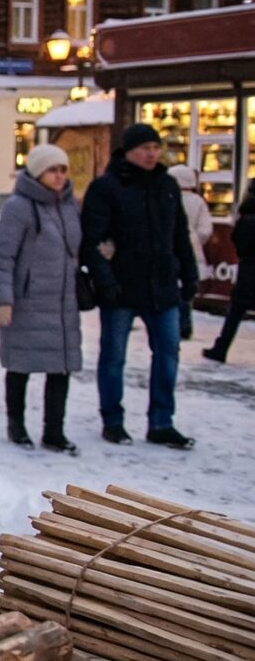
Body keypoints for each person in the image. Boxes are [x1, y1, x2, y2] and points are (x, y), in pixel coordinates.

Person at [82, 123, 198, 448]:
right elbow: (92, 240)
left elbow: (180, 237)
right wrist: (105, 281)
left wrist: (189, 277)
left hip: (162, 288)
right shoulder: (107, 188)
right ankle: (113, 420)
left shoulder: (167, 185)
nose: (151, 153)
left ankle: (162, 422)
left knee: (168, 354)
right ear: (129, 150)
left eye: (155, 147)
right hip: (121, 289)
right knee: (114, 356)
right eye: (145, 147)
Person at [0, 144, 83, 453]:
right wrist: (3, 300)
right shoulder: (18, 207)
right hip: (26, 301)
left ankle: (54, 431)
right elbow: (3, 257)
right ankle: (16, 425)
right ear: (37, 172)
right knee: (20, 366)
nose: (59, 176)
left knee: (61, 368)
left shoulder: (69, 205)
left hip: (62, 303)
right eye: (52, 170)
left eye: (63, 170)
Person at [202, 190, 255, 363]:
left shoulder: (246, 216)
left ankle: (221, 347)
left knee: (235, 312)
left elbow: (237, 240)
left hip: (248, 269)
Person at [168, 165, 213, 340]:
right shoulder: (198, 201)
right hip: (191, 247)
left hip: (169, 248)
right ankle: (185, 323)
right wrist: (195, 239)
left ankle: (173, 323)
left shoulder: (167, 197)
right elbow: (205, 230)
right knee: (187, 287)